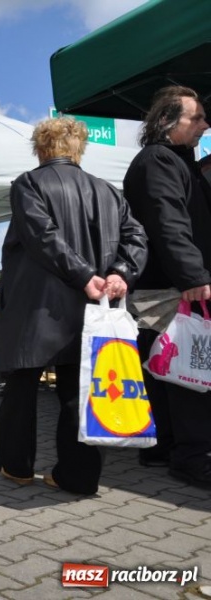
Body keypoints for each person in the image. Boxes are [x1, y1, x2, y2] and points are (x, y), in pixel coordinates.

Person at [0, 117, 147, 495]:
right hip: (92, 308)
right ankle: (78, 476)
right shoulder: (109, 191)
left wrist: (83, 275)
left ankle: (17, 466)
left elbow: (41, 235)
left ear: (40, 148)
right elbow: (137, 237)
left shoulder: (28, 183)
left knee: (22, 387)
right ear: (79, 149)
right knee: (80, 392)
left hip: (37, 307)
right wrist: (120, 273)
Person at [123, 85, 211, 489]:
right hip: (171, 288)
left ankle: (162, 447)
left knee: (165, 370)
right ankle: (191, 457)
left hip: (169, 284)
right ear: (166, 121)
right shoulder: (158, 161)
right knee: (187, 374)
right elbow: (167, 221)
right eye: (195, 119)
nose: (203, 125)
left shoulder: (173, 161)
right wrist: (193, 276)